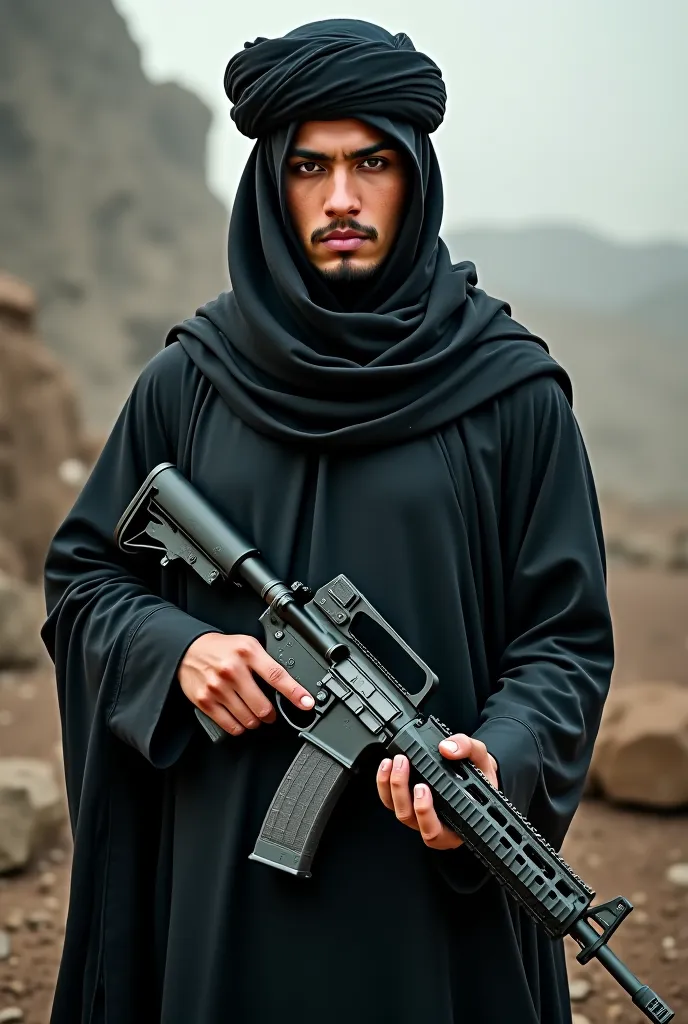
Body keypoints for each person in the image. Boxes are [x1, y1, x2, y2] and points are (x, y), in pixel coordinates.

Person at [42, 18, 614, 1024]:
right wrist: (176, 649)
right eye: (309, 166)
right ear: (271, 182)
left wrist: (502, 756)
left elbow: (563, 638)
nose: (341, 199)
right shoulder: (187, 383)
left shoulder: (512, 393)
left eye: (372, 163)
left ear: (416, 176)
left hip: (431, 901)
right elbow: (87, 576)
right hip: (223, 887)